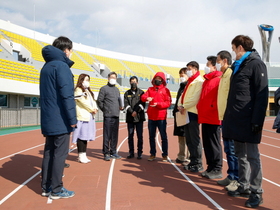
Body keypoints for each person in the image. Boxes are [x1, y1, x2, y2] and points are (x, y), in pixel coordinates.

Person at [223, 35, 268, 208]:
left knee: (252, 157)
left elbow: (261, 95)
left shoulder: (256, 64)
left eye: (234, 48)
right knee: (239, 155)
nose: (233, 52)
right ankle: (244, 185)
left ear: (240, 47)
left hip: (249, 120)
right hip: (236, 119)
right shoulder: (238, 66)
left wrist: (257, 120)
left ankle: (257, 192)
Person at [40, 36, 77, 199]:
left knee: (49, 152)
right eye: (70, 51)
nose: (70, 54)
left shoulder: (46, 67)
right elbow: (67, 96)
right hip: (60, 119)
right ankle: (56, 189)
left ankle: (46, 187)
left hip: (48, 118)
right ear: (65, 50)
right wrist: (72, 119)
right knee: (60, 154)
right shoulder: (62, 67)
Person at [216, 51, 239, 191]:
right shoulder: (224, 75)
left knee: (232, 149)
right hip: (223, 116)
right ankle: (231, 175)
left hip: (230, 117)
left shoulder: (230, 74)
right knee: (228, 149)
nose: (218, 64)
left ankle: (236, 178)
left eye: (218, 61)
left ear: (224, 61)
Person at [197, 56, 223, 179]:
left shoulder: (219, 79)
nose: (205, 67)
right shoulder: (207, 80)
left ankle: (217, 168)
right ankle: (210, 167)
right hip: (205, 116)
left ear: (214, 66)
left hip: (213, 117)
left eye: (208, 64)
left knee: (214, 144)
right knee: (207, 144)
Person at [178, 61, 204, 172]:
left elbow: (195, 98)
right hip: (186, 113)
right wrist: (180, 105)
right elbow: (182, 96)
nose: (188, 71)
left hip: (193, 113)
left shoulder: (199, 81)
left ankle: (198, 163)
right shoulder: (190, 82)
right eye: (187, 69)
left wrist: (184, 106)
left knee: (194, 139)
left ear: (195, 69)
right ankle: (192, 161)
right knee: (188, 138)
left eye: (189, 69)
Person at [141, 72, 172, 162]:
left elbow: (168, 103)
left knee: (163, 137)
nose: (157, 80)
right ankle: (152, 154)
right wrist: (147, 98)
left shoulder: (166, 90)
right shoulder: (150, 89)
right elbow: (143, 97)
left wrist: (158, 104)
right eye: (156, 78)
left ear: (162, 80)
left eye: (159, 78)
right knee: (151, 137)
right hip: (151, 117)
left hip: (161, 117)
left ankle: (165, 154)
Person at [72, 74, 98, 163]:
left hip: (89, 116)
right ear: (81, 80)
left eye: (88, 80)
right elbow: (82, 101)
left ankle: (84, 154)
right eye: (85, 79)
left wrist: (95, 108)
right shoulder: (78, 90)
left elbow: (93, 101)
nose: (87, 81)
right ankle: (80, 155)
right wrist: (91, 109)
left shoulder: (88, 91)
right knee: (81, 136)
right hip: (82, 116)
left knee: (85, 136)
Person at [97, 72, 123, 161]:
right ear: (108, 78)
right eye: (111, 77)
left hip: (116, 115)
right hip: (108, 116)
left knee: (114, 135)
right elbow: (99, 101)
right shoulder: (104, 89)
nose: (113, 79)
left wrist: (120, 106)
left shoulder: (117, 89)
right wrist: (105, 110)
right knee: (107, 135)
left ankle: (113, 152)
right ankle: (106, 152)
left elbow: (119, 100)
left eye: (114, 77)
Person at [124, 76, 146, 159]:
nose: (133, 83)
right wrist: (131, 111)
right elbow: (126, 105)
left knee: (140, 136)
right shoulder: (127, 93)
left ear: (137, 83)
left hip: (139, 118)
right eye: (132, 81)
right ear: (130, 83)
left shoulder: (142, 93)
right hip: (130, 118)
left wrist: (136, 111)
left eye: (135, 81)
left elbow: (142, 104)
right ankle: (131, 153)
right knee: (130, 136)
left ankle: (140, 153)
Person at [172, 68, 190, 164]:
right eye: (180, 76)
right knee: (181, 136)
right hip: (178, 114)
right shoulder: (181, 86)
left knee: (187, 136)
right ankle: (181, 155)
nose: (181, 78)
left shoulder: (188, 86)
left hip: (185, 113)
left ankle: (187, 156)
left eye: (182, 76)